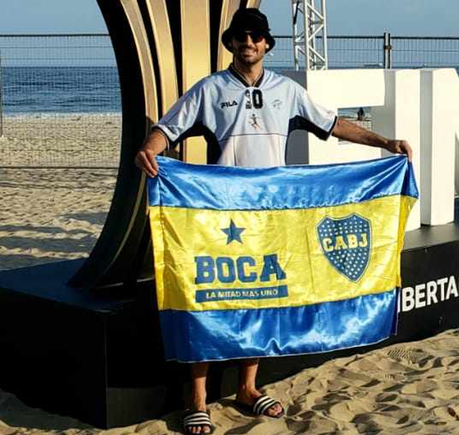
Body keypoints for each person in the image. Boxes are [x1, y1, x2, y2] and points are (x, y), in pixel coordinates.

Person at [134, 8, 412, 435]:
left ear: (266, 43)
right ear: (231, 43)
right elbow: (166, 129)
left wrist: (384, 142)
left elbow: (334, 124)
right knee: (205, 298)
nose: (249, 42)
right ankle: (198, 401)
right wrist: (149, 149)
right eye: (242, 36)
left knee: (261, 297)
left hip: (270, 217)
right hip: (215, 214)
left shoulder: (287, 90)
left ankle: (248, 388)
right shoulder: (209, 90)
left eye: (256, 36)